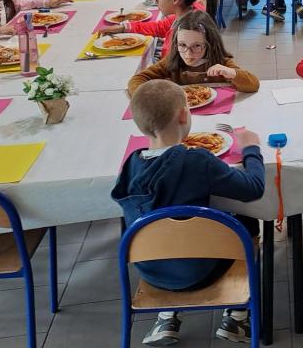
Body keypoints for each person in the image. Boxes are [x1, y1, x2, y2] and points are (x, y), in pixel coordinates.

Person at [111, 79, 265, 345]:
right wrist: (251, 148)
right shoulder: (197, 160)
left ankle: (167, 315)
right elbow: (253, 189)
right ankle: (237, 317)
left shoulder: (131, 164)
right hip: (201, 271)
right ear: (184, 114)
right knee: (246, 220)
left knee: (163, 226)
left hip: (151, 271)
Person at [128, 11, 259, 96]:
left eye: (196, 46)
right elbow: (137, 79)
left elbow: (253, 84)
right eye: (182, 45)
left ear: (210, 44)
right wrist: (148, 97)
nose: (188, 53)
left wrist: (231, 73)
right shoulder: (172, 61)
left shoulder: (220, 62)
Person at [99, 0, 215, 57]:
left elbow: (175, 69)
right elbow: (160, 27)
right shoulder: (187, 12)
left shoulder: (189, 31)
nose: (157, 0)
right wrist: (124, 27)